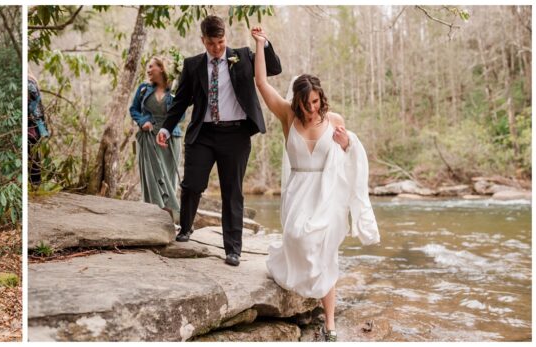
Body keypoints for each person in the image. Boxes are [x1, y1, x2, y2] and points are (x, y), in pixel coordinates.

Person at [250, 27, 380, 342]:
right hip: (298, 190)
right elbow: (261, 83)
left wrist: (348, 141)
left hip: (327, 194)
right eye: (306, 103)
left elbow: (349, 155)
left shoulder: (334, 119)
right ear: (297, 101)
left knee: (324, 253)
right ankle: (297, 281)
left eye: (315, 102)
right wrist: (260, 45)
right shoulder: (286, 115)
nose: (311, 109)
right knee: (296, 237)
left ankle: (330, 325)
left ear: (321, 98)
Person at [157, 15, 282, 266]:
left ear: (226, 37)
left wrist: (264, 44)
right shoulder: (192, 65)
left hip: (235, 135)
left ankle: (233, 249)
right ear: (203, 40)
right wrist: (166, 128)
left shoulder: (244, 56)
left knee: (232, 191)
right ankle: (186, 227)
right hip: (202, 133)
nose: (217, 48)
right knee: (192, 184)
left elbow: (274, 68)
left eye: (221, 42)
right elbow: (181, 101)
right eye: (212, 43)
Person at [130, 56, 182, 224]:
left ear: (161, 68)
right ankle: (152, 218)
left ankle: (169, 220)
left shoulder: (174, 89)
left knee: (167, 177)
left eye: (151, 66)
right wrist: (142, 121)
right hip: (148, 137)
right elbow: (134, 109)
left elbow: (181, 114)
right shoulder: (144, 89)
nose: (148, 70)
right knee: (151, 177)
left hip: (170, 137)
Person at [27, 73, 50, 185]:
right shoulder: (31, 81)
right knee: (32, 157)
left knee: (32, 158)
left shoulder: (29, 82)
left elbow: (34, 106)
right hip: (33, 125)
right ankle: (34, 185)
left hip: (32, 126)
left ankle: (35, 185)